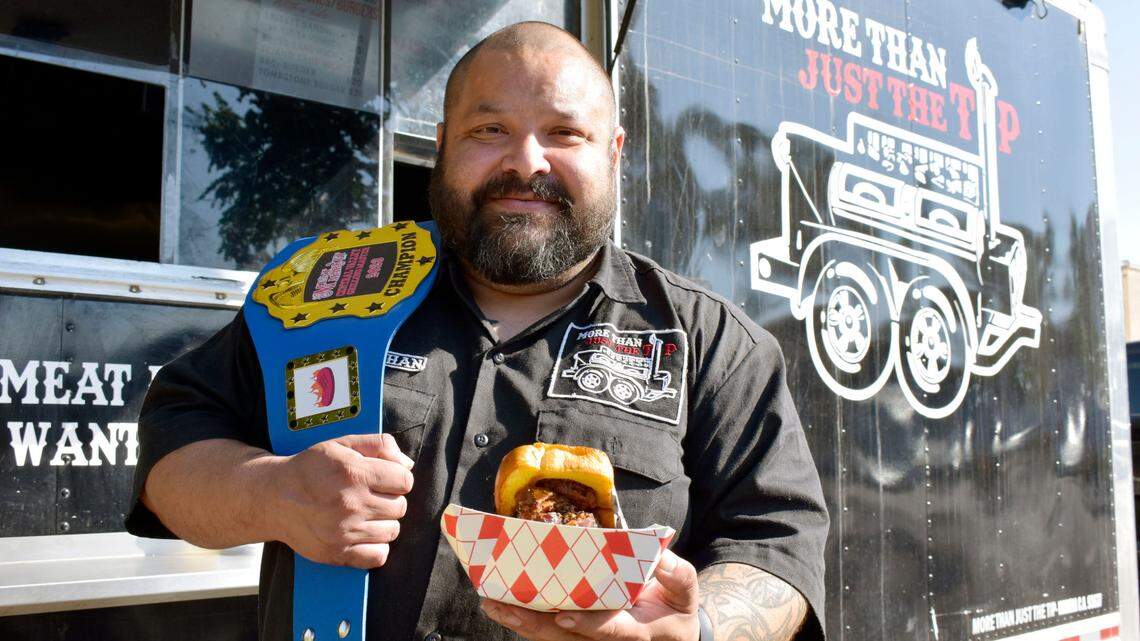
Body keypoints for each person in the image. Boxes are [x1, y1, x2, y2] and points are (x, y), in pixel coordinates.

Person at [126, 21, 829, 641]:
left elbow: (779, 546)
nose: (526, 161)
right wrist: (272, 492)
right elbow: (170, 451)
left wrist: (698, 628)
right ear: (441, 143)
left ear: (613, 152)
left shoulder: (712, 344)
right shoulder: (327, 294)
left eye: (564, 132)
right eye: (489, 129)